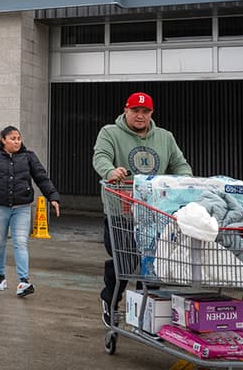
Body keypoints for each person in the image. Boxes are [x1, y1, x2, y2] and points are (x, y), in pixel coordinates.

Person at [92, 91, 191, 326]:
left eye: (145, 111)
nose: (140, 115)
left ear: (151, 113)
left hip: (155, 215)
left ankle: (147, 312)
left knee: (153, 264)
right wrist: (110, 171)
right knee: (124, 261)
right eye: (135, 110)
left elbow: (180, 164)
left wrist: (185, 180)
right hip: (122, 213)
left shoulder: (165, 137)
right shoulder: (110, 132)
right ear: (126, 110)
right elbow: (101, 157)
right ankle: (110, 300)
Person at [0, 126, 60, 298]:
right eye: (12, 138)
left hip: (22, 207)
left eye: (18, 138)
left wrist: (53, 196)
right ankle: (0, 277)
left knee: (20, 242)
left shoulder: (28, 156)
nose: (17, 141)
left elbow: (41, 177)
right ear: (3, 140)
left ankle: (23, 281)